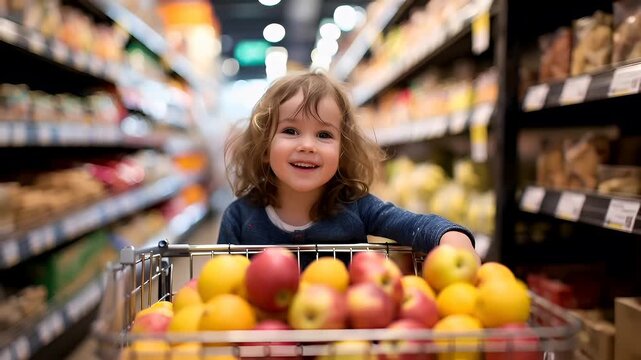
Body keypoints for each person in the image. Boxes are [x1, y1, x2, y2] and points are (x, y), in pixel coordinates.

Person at [218, 71, 478, 263]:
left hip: (346, 334)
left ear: (342, 153)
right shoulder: (240, 218)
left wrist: (449, 235)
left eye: (324, 135)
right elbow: (222, 286)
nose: (308, 145)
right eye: (291, 130)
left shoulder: (356, 207)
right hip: (264, 334)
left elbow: (412, 224)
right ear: (265, 149)